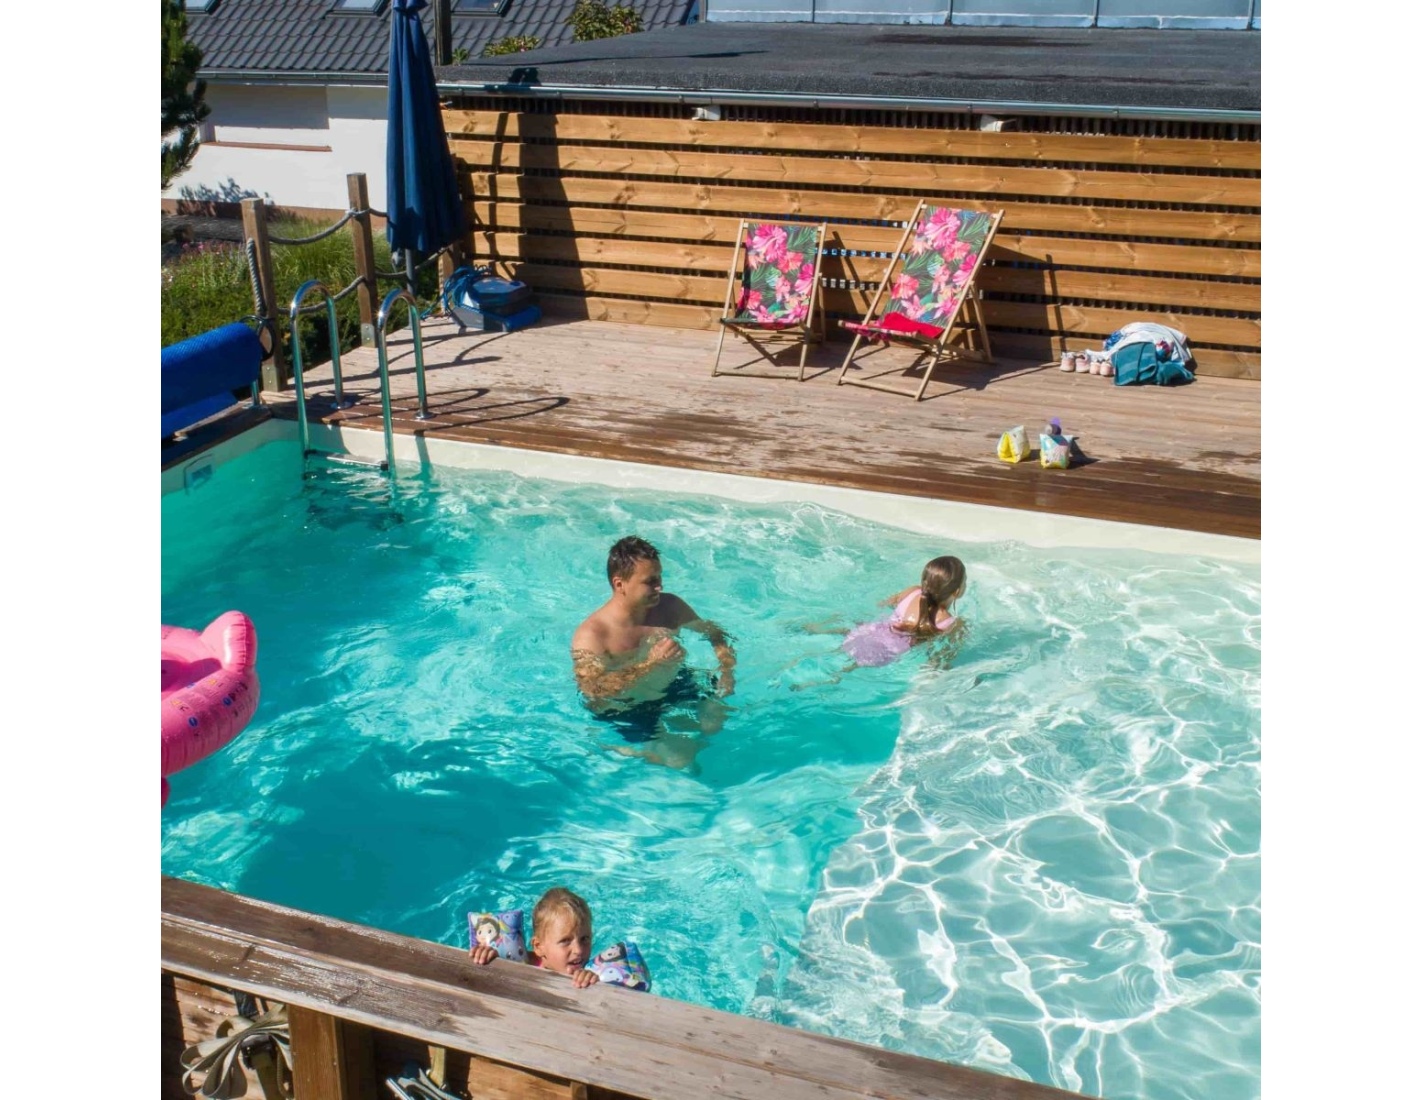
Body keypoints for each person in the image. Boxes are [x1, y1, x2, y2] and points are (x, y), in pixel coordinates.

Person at [571, 536, 737, 766]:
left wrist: (726, 670)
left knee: (714, 723)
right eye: (650, 581)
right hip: (630, 706)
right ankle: (633, 751)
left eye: (659, 577)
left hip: (674, 683)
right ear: (620, 584)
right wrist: (649, 664)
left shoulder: (670, 607)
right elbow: (594, 693)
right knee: (680, 760)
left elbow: (714, 633)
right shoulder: (592, 635)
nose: (660, 586)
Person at [839, 555, 967, 668]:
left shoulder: (912, 591)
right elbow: (941, 657)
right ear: (957, 592)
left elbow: (883, 605)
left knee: (840, 657)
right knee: (850, 669)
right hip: (889, 651)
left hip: (869, 631)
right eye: (964, 581)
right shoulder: (950, 623)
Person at [468, 887, 600, 989]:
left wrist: (594, 980)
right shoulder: (525, 964)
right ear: (538, 947)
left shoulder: (591, 970)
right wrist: (490, 957)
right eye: (565, 941)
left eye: (585, 939)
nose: (578, 950)